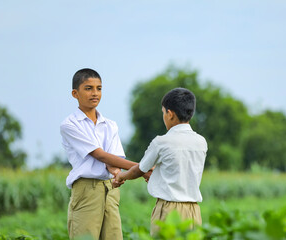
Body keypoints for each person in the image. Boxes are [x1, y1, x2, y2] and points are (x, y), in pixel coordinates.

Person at [60, 68, 151, 240]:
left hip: (110, 188)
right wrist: (142, 168)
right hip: (87, 190)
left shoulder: (110, 125)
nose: (95, 93)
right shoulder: (70, 125)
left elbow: (112, 163)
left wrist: (118, 174)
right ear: (75, 93)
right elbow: (101, 155)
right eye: (88, 88)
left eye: (99, 88)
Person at [114, 87, 208, 236]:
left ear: (170, 114)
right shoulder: (201, 142)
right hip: (194, 211)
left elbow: (140, 170)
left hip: (169, 209)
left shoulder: (162, 142)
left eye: (163, 112)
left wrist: (121, 176)